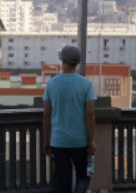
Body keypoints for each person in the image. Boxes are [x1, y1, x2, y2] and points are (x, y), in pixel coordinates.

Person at [42, 45, 97, 193]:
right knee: (84, 176)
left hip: (58, 141)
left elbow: (46, 114)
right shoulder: (86, 84)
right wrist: (91, 140)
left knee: (63, 180)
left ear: (62, 60)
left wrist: (47, 140)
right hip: (80, 141)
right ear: (78, 62)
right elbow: (90, 114)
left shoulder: (51, 84)